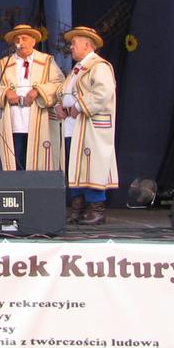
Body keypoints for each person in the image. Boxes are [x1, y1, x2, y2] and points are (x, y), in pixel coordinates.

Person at [59, 26, 118, 225]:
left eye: (74, 43)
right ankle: (78, 207)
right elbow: (66, 92)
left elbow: (102, 93)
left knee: (92, 165)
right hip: (72, 126)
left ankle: (96, 209)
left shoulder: (99, 66)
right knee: (75, 167)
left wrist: (78, 106)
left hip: (89, 126)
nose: (71, 47)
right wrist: (61, 105)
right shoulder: (77, 69)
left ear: (87, 45)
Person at [0, 24, 65, 172]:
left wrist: (38, 91)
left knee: (38, 161)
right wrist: (6, 92)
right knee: (17, 160)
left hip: (38, 118)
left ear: (33, 41)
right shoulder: (5, 63)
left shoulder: (46, 61)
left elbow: (59, 84)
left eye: (24, 38)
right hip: (14, 120)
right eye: (17, 39)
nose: (20, 42)